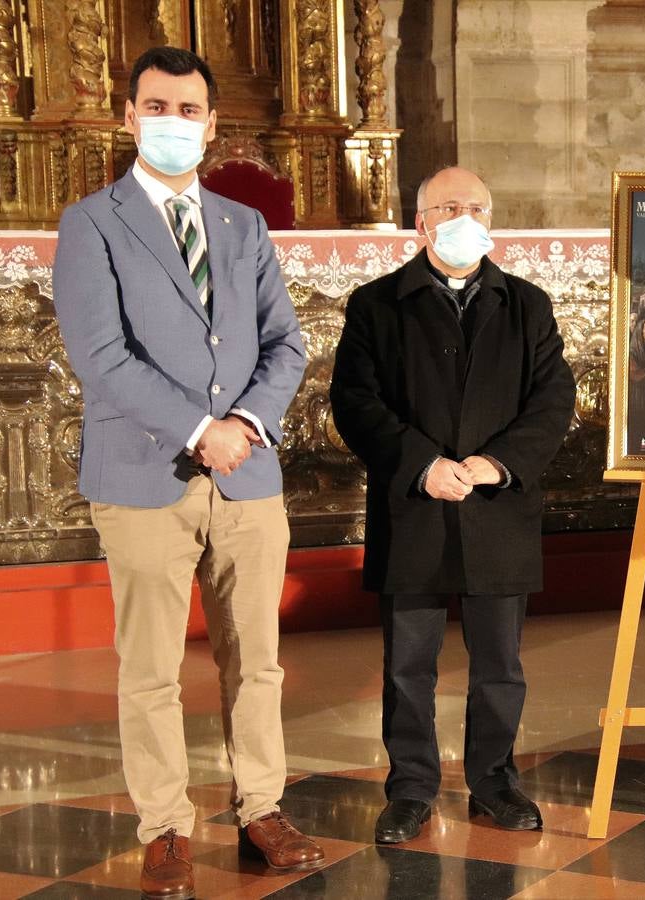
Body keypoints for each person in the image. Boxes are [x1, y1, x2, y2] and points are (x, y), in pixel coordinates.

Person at [51, 46, 321, 899]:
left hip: (246, 474)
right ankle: (166, 826)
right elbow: (98, 354)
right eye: (157, 106)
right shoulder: (91, 222)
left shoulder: (243, 225)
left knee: (258, 659)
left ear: (211, 123)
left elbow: (287, 341)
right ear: (129, 116)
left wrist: (241, 423)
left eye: (190, 110)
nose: (175, 122)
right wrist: (200, 427)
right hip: (143, 474)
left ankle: (262, 807)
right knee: (152, 666)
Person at [329, 166, 575, 846]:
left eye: (474, 207)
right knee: (409, 663)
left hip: (498, 507)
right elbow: (355, 401)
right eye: (447, 207)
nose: (461, 217)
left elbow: (553, 401)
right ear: (421, 223)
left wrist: (497, 463)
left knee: (500, 663)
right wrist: (420, 465)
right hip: (415, 504)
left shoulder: (529, 304)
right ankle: (410, 788)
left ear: (490, 221)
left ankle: (495, 780)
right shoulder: (377, 304)